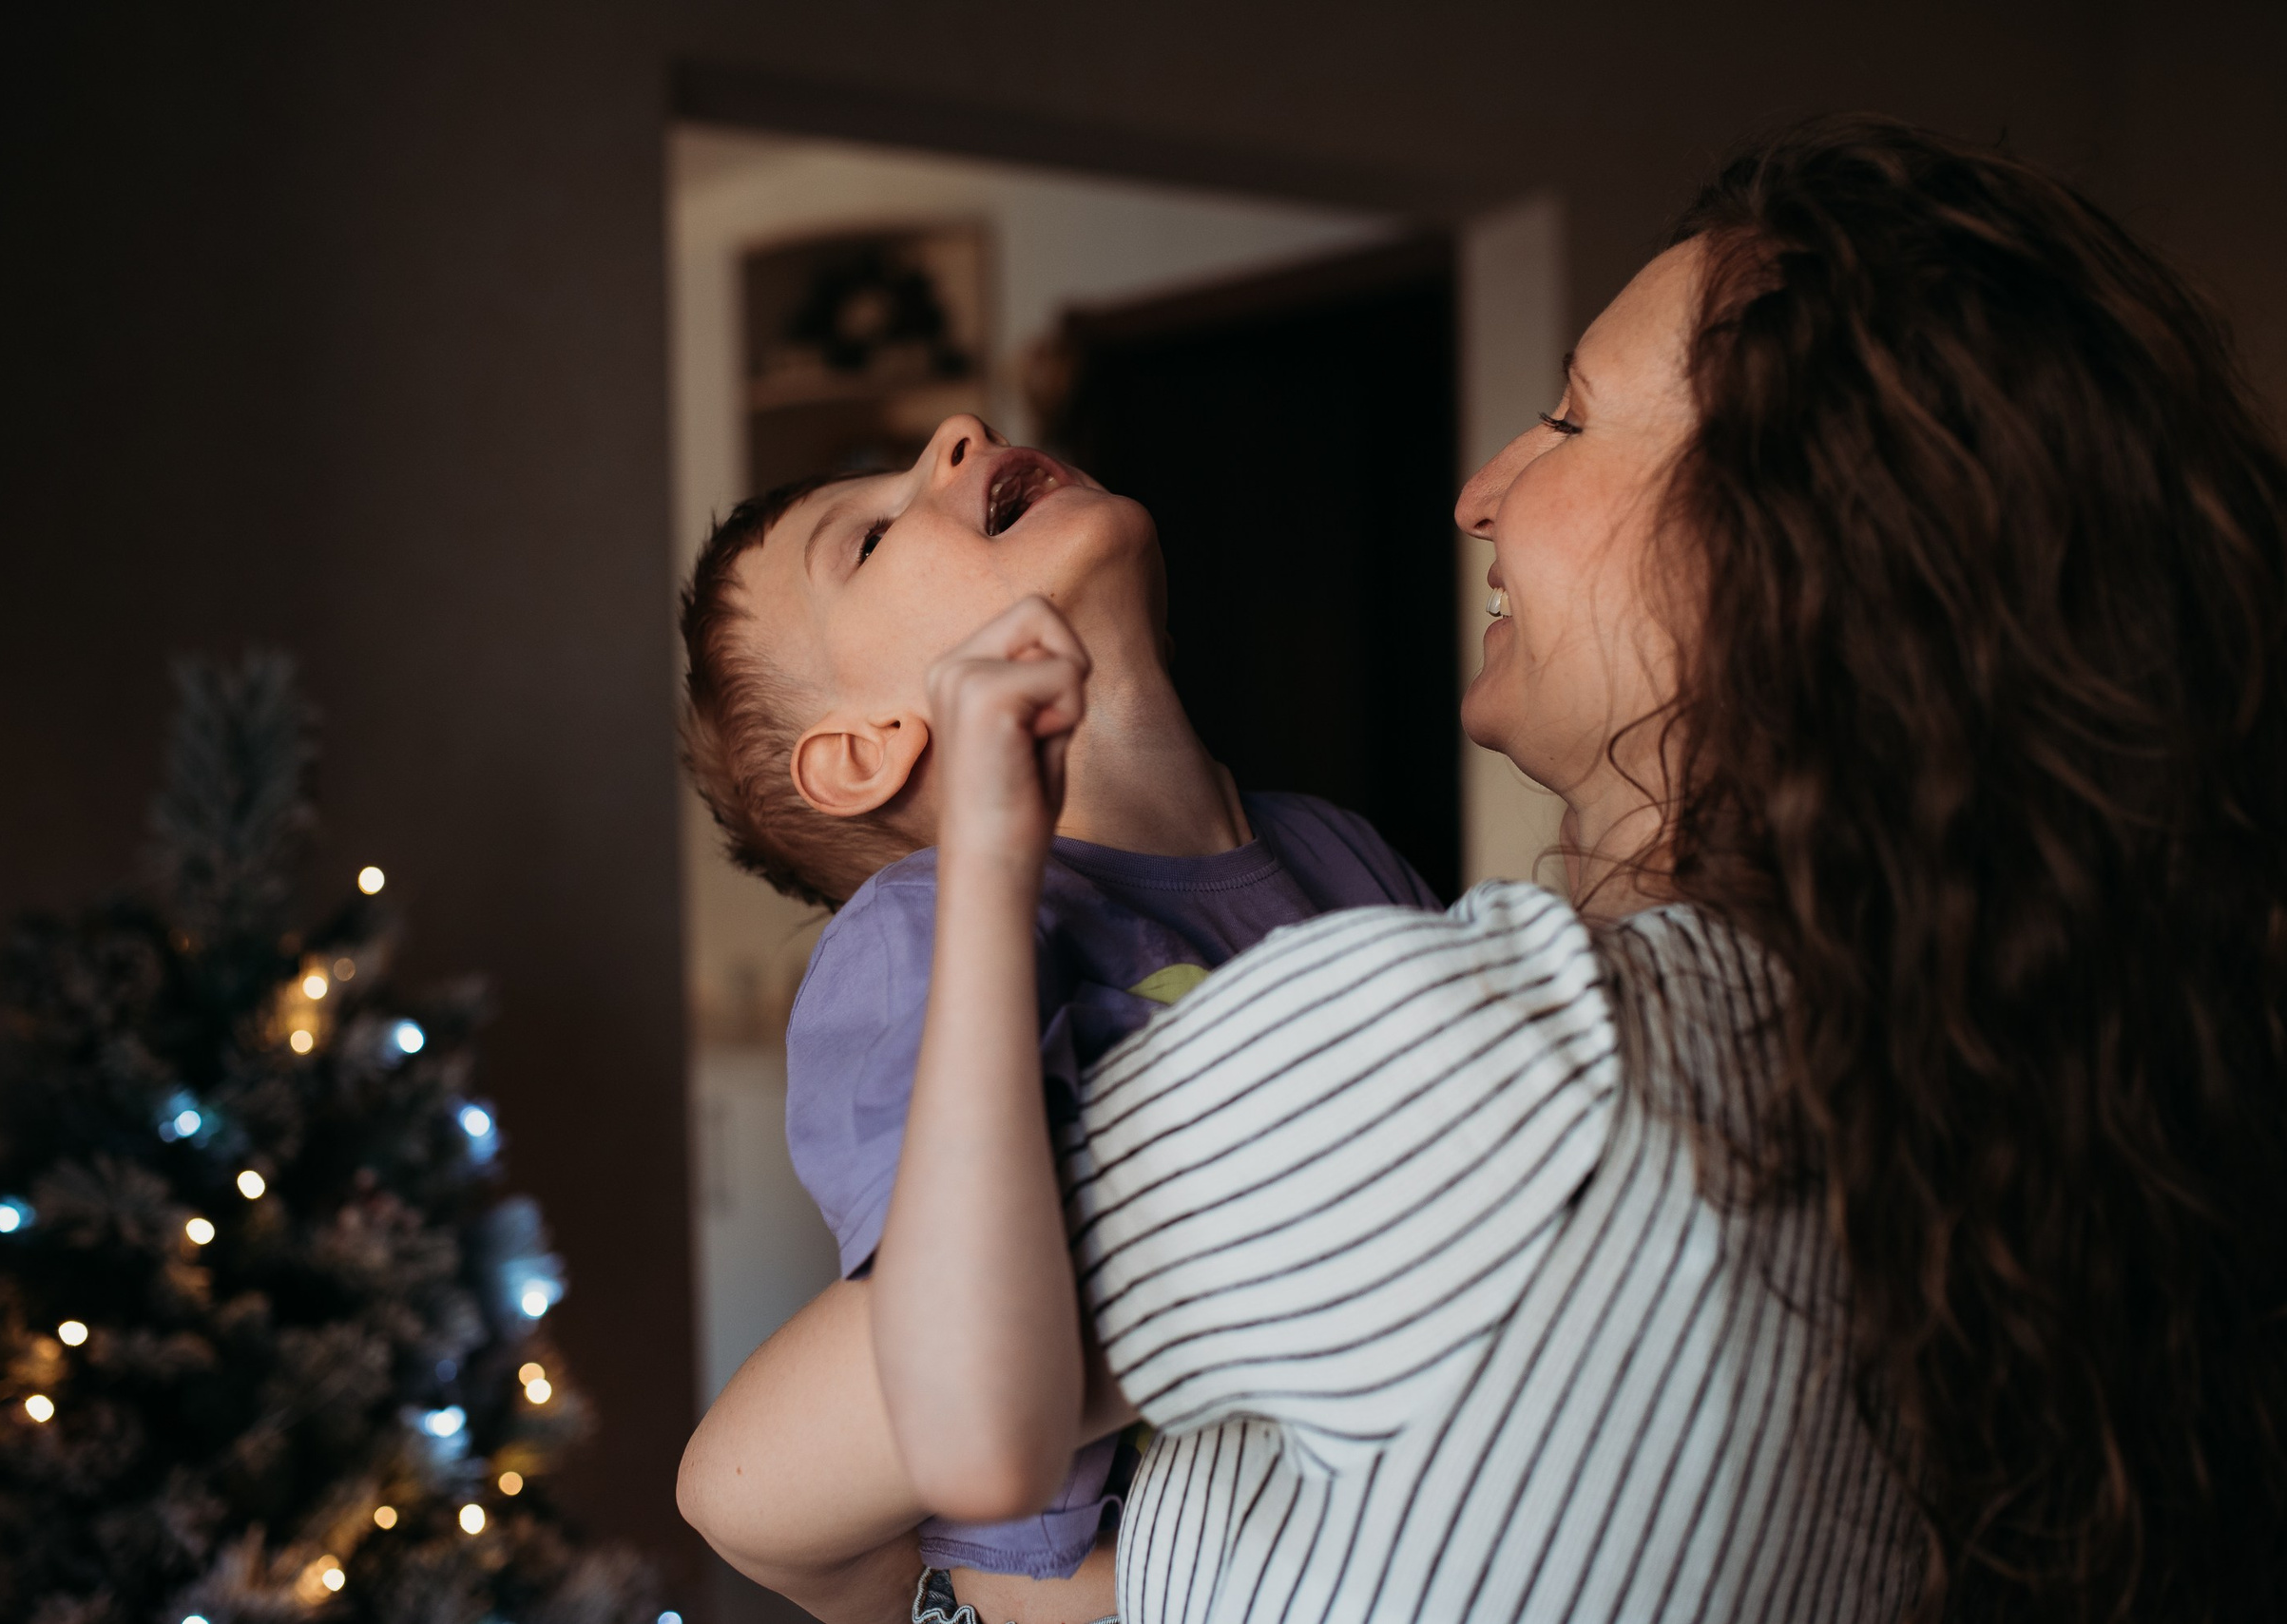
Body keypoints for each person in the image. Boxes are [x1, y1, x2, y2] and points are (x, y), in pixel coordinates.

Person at [682, 114, 2287, 1624]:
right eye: (872, 534)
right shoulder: (1959, 1078)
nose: (1479, 490)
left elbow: (762, 1485)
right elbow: (897, 1440)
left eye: (1575, 415)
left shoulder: (1468, 1034)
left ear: (1777, 547)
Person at [673, 419, 1437, 1624]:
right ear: (870, 748)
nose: (957, 432)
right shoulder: (915, 929)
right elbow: (959, 1349)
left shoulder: (1339, 850)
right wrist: (991, 861)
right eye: (869, 538)